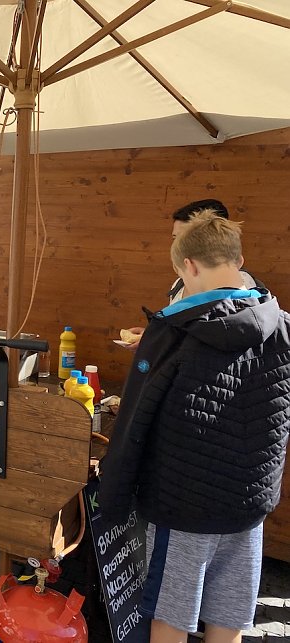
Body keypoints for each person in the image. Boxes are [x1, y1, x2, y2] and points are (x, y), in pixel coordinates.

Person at [99, 212, 290, 643]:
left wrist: (111, 500)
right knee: (229, 617)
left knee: (171, 617)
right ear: (238, 259)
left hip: (183, 505)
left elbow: (133, 422)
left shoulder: (172, 332)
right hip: (249, 506)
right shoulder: (282, 325)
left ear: (188, 266)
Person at [123, 199, 263, 350]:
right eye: (175, 239)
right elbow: (181, 335)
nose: (177, 247)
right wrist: (153, 338)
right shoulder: (178, 285)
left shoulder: (244, 288)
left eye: (184, 239)